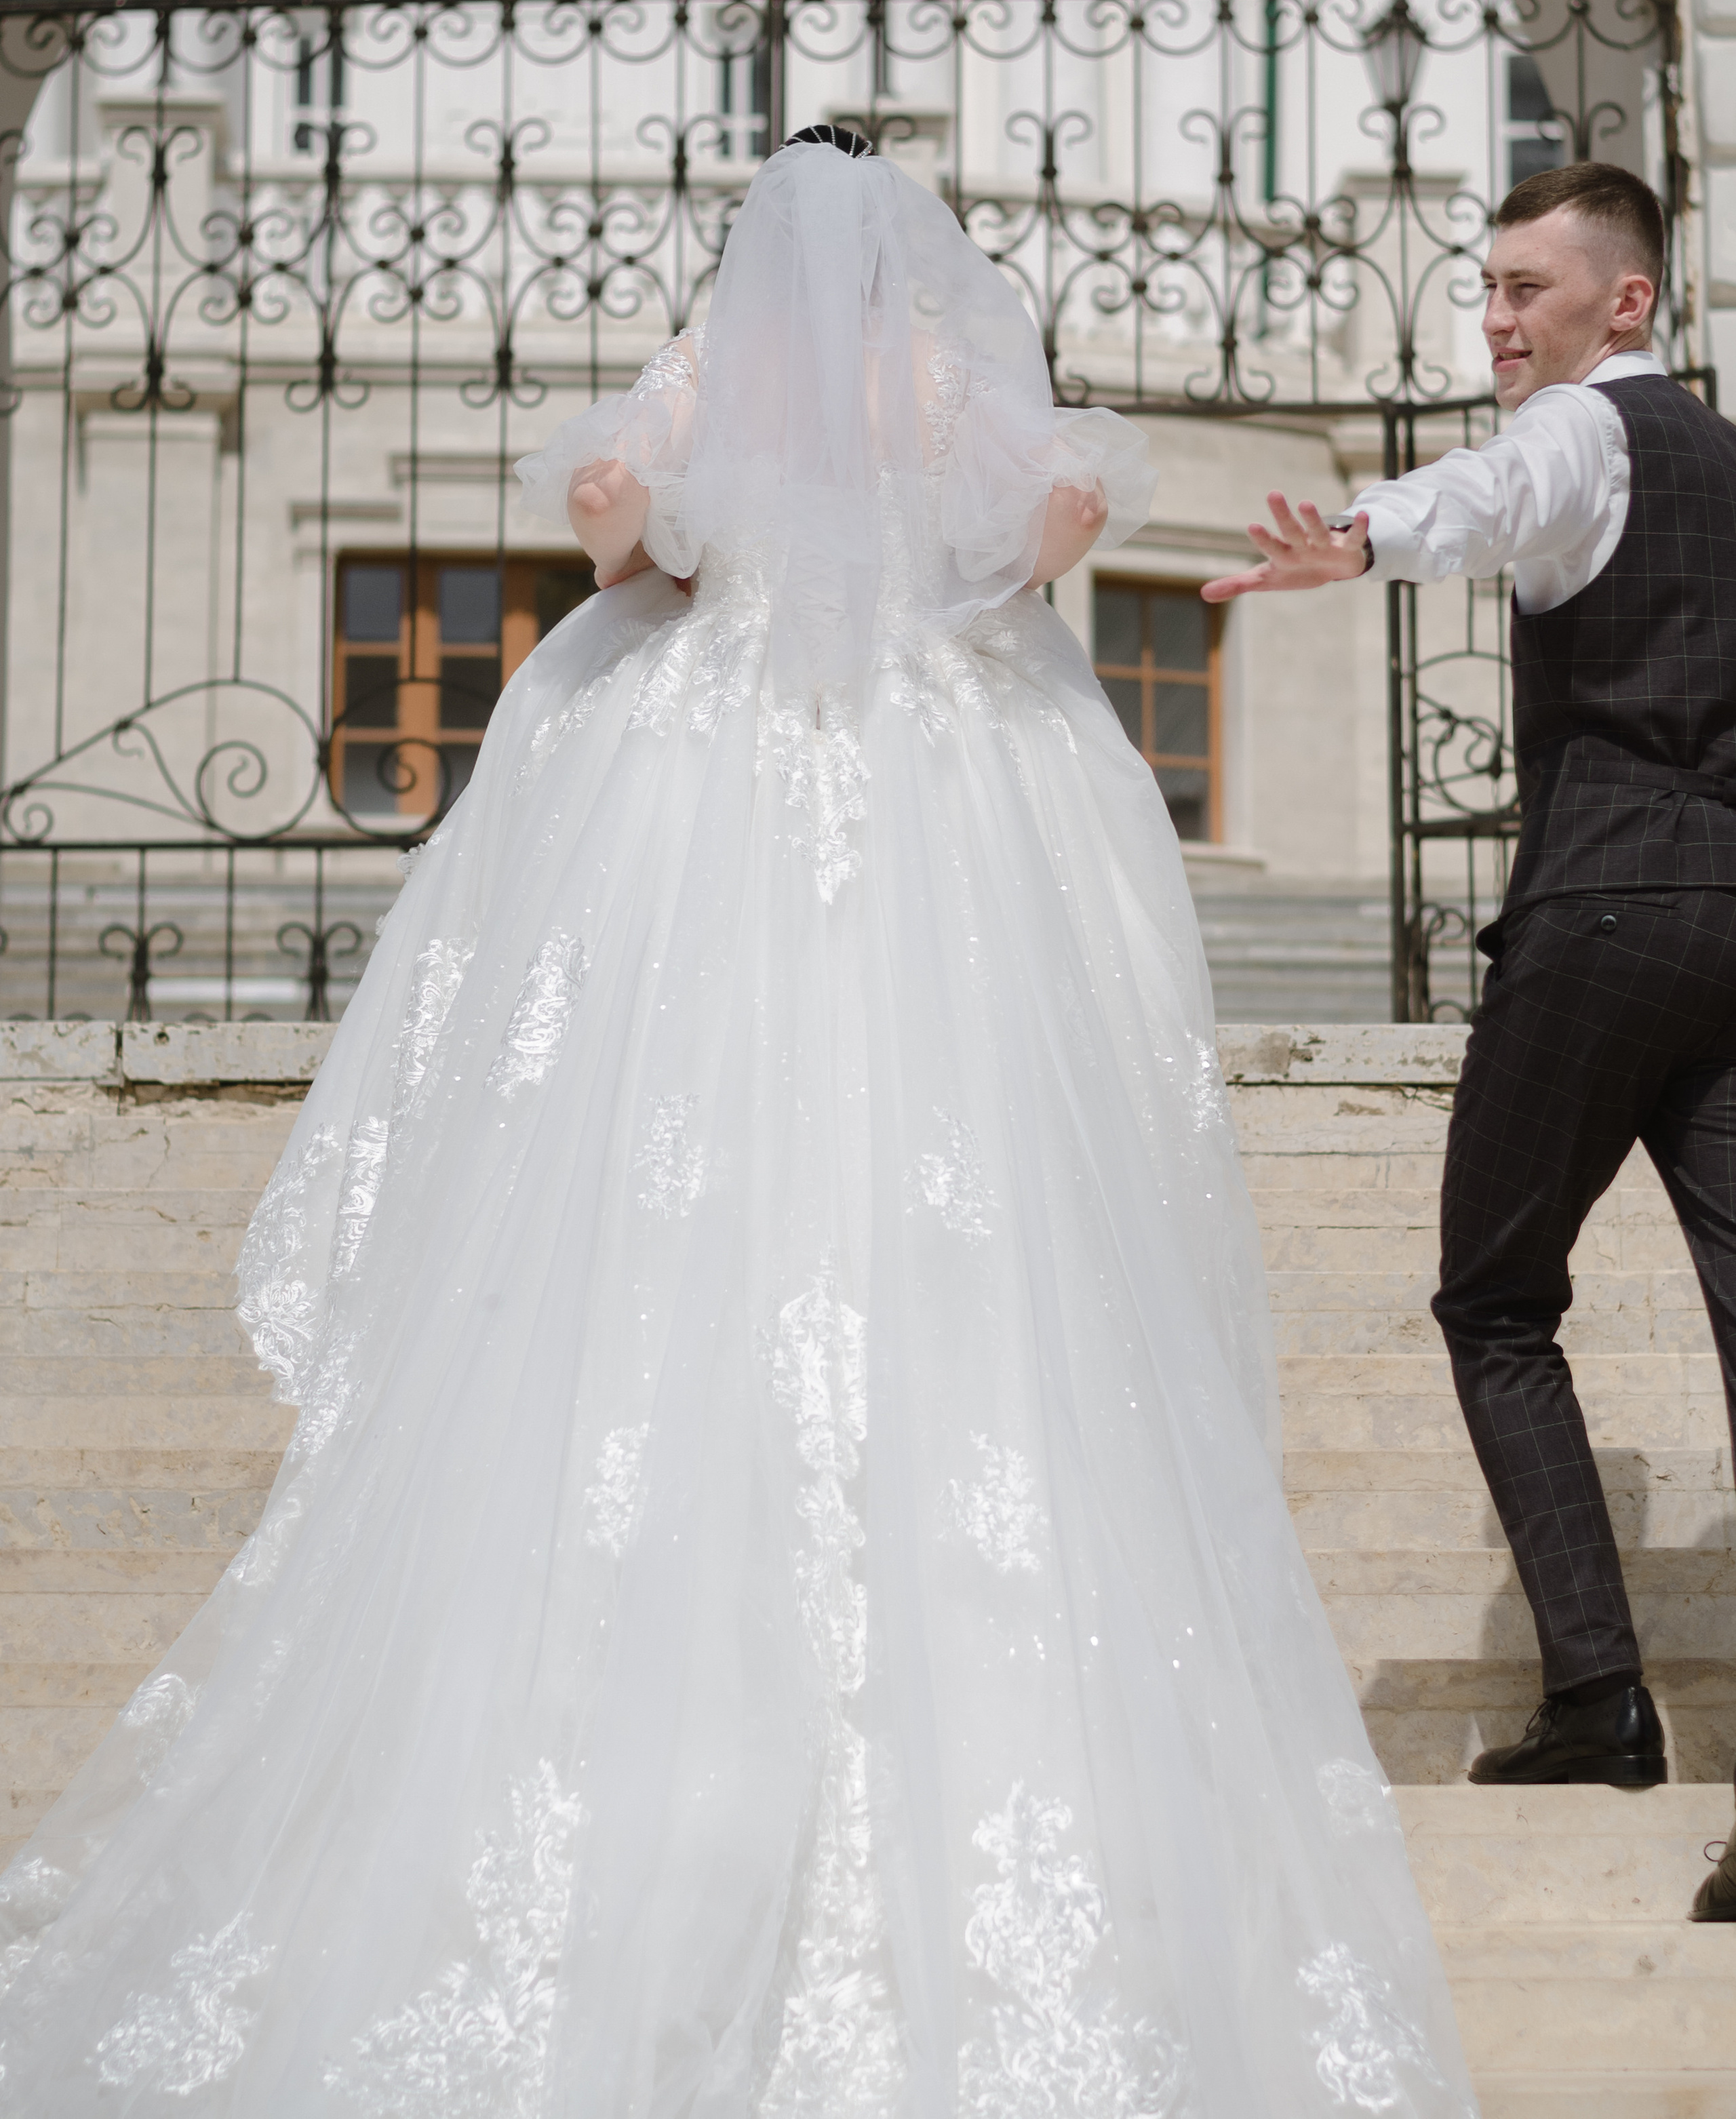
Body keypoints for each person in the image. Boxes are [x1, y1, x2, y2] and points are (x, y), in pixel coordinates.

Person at [0, 128, 1476, 2112]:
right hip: (943, 817)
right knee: (971, 1251)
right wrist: (937, 568)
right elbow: (1048, 527)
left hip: (707, 808)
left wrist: (716, 522)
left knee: (652, 1221)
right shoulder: (956, 383)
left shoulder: (712, 379)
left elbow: (636, 547)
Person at [1203, 159, 1736, 1903]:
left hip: (1598, 923)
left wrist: (1355, 538)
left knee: (1494, 1298)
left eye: (1525, 287)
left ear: (1626, 302)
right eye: (1487, 289)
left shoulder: (1594, 431)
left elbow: (1499, 488)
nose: (1496, 318)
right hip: (1729, 924)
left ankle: (1595, 1698)